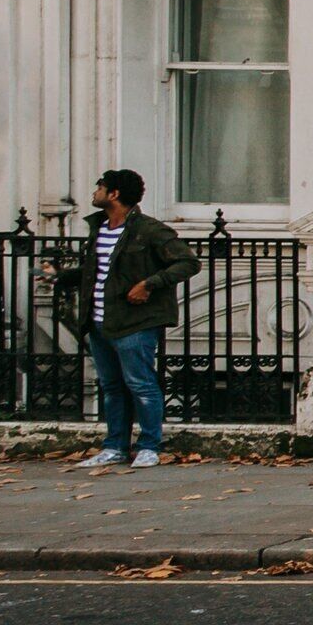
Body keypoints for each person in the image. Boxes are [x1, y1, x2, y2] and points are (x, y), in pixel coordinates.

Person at [44, 168, 195, 472]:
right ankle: (114, 447)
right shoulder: (99, 228)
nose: (95, 192)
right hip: (99, 320)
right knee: (111, 386)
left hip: (135, 322)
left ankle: (149, 447)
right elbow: (98, 272)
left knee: (141, 384)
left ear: (114, 194)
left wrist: (148, 284)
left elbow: (188, 262)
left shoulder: (149, 230)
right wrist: (61, 276)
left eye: (100, 187)